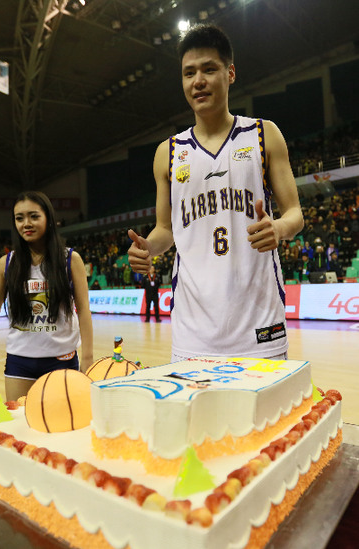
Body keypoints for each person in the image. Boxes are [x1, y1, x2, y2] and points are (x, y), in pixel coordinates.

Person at [128, 24, 303, 361]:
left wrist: (279, 228)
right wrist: (148, 247)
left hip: (260, 323)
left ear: (230, 73)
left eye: (209, 69)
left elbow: (295, 213)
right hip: (193, 329)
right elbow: (166, 230)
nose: (198, 81)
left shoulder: (264, 135)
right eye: (189, 73)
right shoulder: (168, 153)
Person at [0, 191, 93, 401]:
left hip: (62, 359)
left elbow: (84, 310)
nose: (26, 224)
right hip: (19, 361)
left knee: (60, 420)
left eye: (34, 216)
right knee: (20, 420)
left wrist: (87, 358)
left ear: (48, 218)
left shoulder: (70, 260)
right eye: (19, 218)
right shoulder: (7, 263)